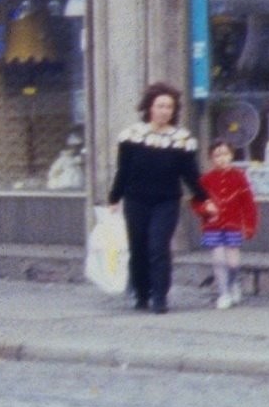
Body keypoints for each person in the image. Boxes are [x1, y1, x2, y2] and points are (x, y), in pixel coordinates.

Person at [106, 85, 202, 314]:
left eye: (169, 107)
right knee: (138, 247)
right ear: (149, 107)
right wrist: (114, 197)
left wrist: (204, 197)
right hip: (136, 200)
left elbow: (190, 174)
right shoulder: (131, 136)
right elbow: (124, 170)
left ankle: (160, 296)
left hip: (166, 201)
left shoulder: (181, 139)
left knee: (158, 246)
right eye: (160, 106)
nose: (164, 111)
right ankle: (141, 293)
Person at [198, 140, 260, 310]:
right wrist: (205, 209)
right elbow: (197, 201)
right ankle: (223, 292)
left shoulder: (239, 177)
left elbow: (248, 204)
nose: (222, 159)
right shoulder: (206, 179)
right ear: (211, 158)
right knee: (218, 259)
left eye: (225, 154)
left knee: (232, 262)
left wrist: (249, 225)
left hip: (233, 225)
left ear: (231, 155)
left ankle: (233, 284)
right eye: (217, 155)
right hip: (213, 226)